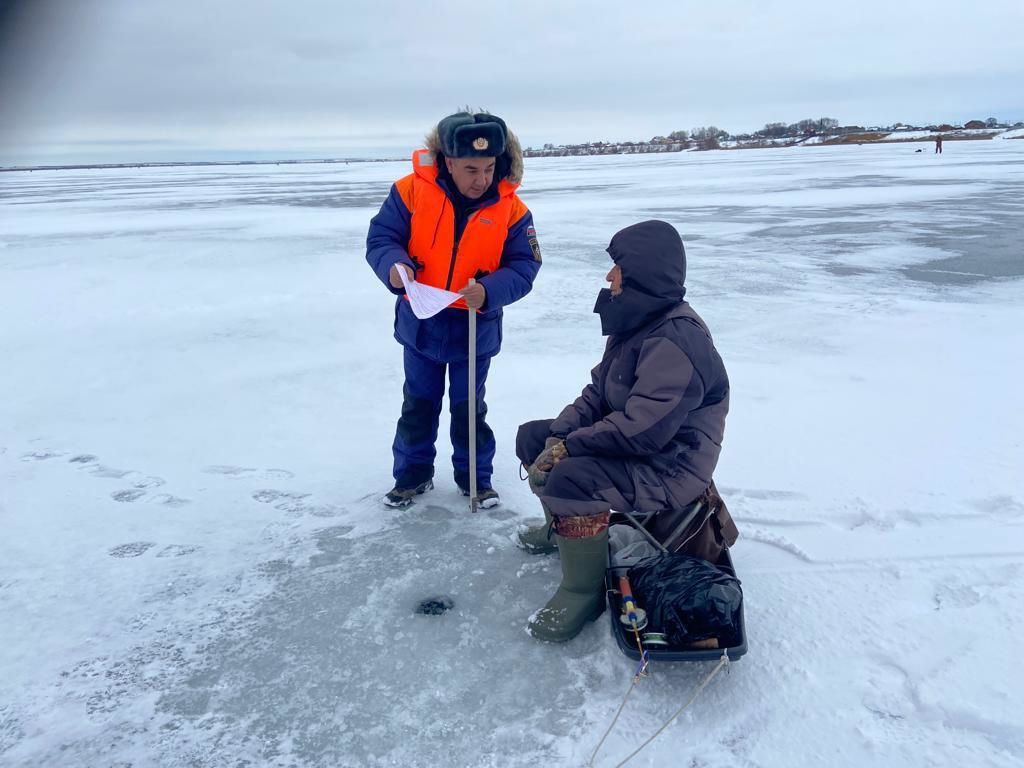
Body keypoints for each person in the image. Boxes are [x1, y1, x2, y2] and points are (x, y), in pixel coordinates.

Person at [515, 220, 737, 642]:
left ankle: (582, 590)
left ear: (644, 272)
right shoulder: (638, 321)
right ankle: (562, 527)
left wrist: (569, 447)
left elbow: (643, 432)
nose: (609, 275)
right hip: (642, 450)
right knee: (532, 436)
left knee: (573, 477)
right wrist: (559, 433)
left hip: (671, 467)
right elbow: (598, 392)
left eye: (617, 266)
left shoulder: (675, 340)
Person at [366, 111, 542, 508]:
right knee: (418, 404)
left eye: (489, 168)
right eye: (470, 169)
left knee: (469, 410)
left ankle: (476, 480)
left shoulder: (512, 209)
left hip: (473, 327)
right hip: (421, 323)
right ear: (446, 161)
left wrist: (489, 290)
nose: (482, 180)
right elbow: (382, 237)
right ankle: (412, 476)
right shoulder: (410, 191)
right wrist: (393, 266)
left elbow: (525, 265)